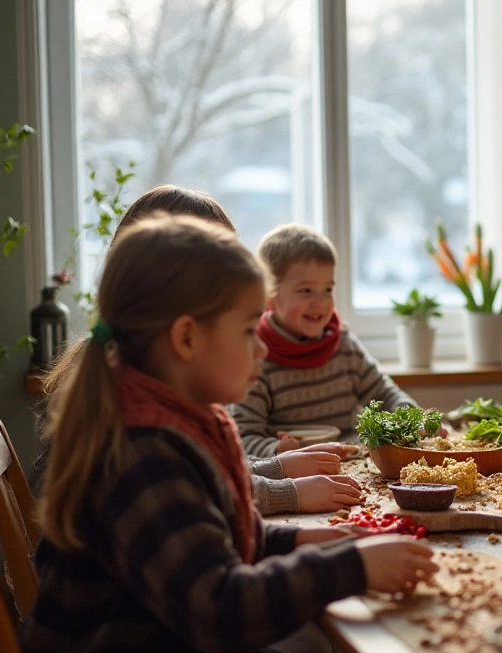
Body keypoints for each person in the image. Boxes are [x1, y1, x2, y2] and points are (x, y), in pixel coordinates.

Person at [21, 215, 439, 653]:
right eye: (246, 330)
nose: (261, 348)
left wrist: (293, 540)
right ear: (186, 339)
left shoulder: (168, 421)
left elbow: (204, 539)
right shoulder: (142, 454)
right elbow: (220, 608)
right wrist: (351, 567)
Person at [34, 185, 364, 516]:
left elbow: (204, 468)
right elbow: (191, 491)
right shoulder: (137, 415)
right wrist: (287, 491)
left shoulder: (146, 370)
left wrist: (277, 468)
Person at [230, 224, 417, 458]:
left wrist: (414, 420)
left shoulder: (344, 346)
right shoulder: (257, 358)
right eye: (306, 290)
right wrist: (275, 449)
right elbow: (243, 438)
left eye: (327, 289)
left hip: (355, 465)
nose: (320, 301)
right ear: (269, 298)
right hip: (297, 476)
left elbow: (387, 395)